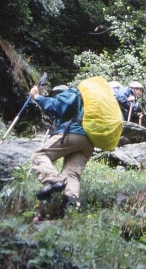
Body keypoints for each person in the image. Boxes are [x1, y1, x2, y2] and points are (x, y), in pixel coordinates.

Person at [29, 84, 94, 214]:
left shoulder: (70, 93)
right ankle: (70, 206)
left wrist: (37, 96)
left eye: (55, 94)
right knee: (71, 173)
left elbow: (56, 105)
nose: (54, 96)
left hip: (75, 133)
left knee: (39, 155)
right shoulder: (85, 104)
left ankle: (53, 181)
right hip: (89, 142)